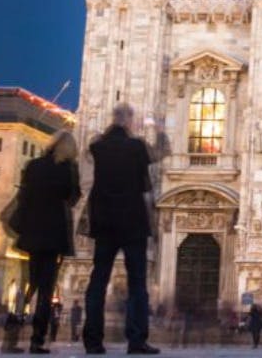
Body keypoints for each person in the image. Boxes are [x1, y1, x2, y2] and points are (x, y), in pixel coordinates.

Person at [83, 104, 165, 355]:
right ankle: (136, 339)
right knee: (137, 283)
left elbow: (90, 154)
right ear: (129, 121)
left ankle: (93, 341)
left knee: (98, 280)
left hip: (104, 221)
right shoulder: (136, 147)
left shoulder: (98, 146)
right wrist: (159, 132)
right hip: (132, 221)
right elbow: (157, 155)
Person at [12, 130, 81, 354]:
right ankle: (36, 339)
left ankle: (12, 330)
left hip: (32, 231)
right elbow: (73, 197)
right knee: (46, 288)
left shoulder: (33, 165)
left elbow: (24, 194)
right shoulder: (67, 169)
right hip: (53, 234)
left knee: (30, 284)